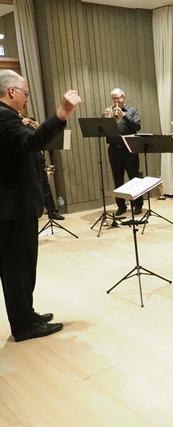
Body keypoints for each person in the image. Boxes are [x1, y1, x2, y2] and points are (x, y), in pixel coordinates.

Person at [0, 70, 81, 341]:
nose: (26, 98)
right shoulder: (4, 117)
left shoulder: (8, 117)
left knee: (22, 265)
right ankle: (23, 325)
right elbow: (30, 142)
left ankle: (26, 314)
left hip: (15, 206)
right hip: (12, 208)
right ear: (12, 92)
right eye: (25, 93)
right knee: (16, 267)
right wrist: (61, 113)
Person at [104, 87, 143, 216]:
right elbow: (102, 130)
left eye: (118, 97)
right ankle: (121, 206)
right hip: (114, 149)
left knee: (134, 177)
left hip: (129, 148)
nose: (116, 100)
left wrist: (124, 116)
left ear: (123, 97)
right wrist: (106, 119)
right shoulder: (109, 111)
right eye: (114, 98)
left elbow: (136, 127)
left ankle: (137, 204)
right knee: (117, 178)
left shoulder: (132, 111)